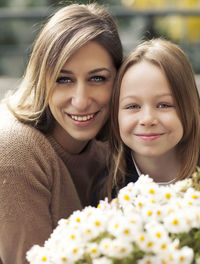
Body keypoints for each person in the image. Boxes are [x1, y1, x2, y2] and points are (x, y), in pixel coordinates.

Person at [0, 3, 123, 264]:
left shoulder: (109, 141)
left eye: (97, 78)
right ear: (41, 79)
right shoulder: (14, 150)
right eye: (63, 79)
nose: (80, 101)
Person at [107, 38, 200, 198]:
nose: (147, 119)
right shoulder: (103, 185)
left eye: (164, 105)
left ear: (189, 107)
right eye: (132, 106)